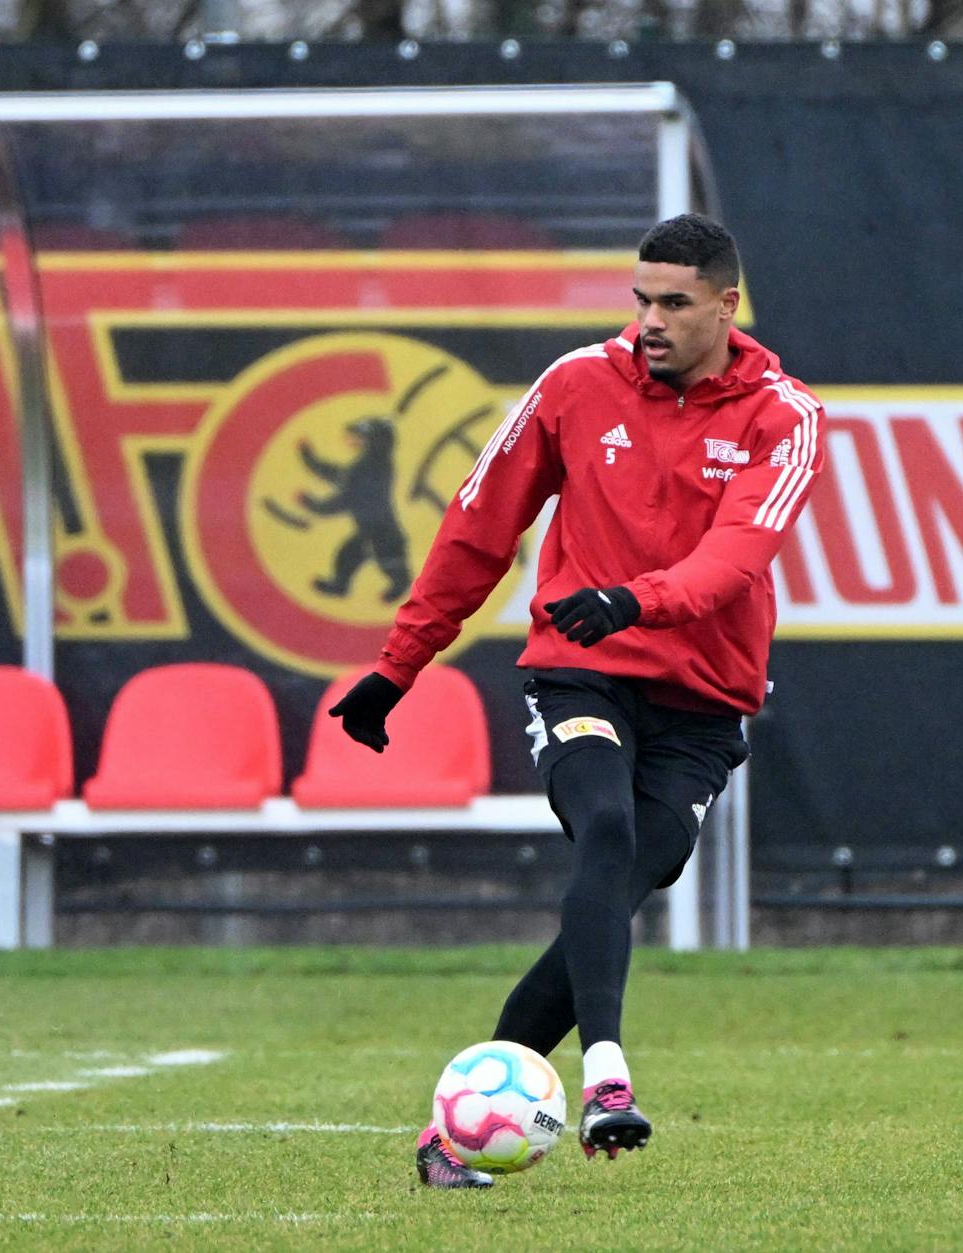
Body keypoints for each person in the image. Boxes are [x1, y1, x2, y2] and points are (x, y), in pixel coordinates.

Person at [328, 213, 826, 1189]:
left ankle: (451, 1135)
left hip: (699, 699)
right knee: (601, 827)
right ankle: (605, 1076)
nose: (648, 318)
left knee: (635, 867)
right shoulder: (572, 385)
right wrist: (399, 664)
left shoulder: (785, 415)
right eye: (639, 297)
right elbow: (478, 525)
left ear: (726, 306)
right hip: (581, 671)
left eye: (673, 302)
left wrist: (634, 598)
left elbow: (735, 561)